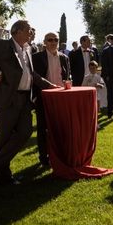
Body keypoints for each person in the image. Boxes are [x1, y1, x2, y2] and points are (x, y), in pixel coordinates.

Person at [0, 20, 57, 185]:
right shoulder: (1, 45)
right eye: (28, 30)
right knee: (5, 138)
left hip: (25, 99)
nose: (31, 32)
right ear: (17, 31)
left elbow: (31, 74)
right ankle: (4, 176)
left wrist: (50, 86)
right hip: (7, 98)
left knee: (25, 132)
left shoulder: (28, 49)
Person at [32, 32, 71, 166]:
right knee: (43, 129)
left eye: (56, 40)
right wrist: (35, 97)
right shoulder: (36, 57)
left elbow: (66, 76)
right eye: (50, 40)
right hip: (43, 97)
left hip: (61, 98)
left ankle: (60, 154)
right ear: (45, 42)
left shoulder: (64, 57)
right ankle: (44, 157)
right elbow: (34, 79)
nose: (53, 42)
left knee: (60, 127)